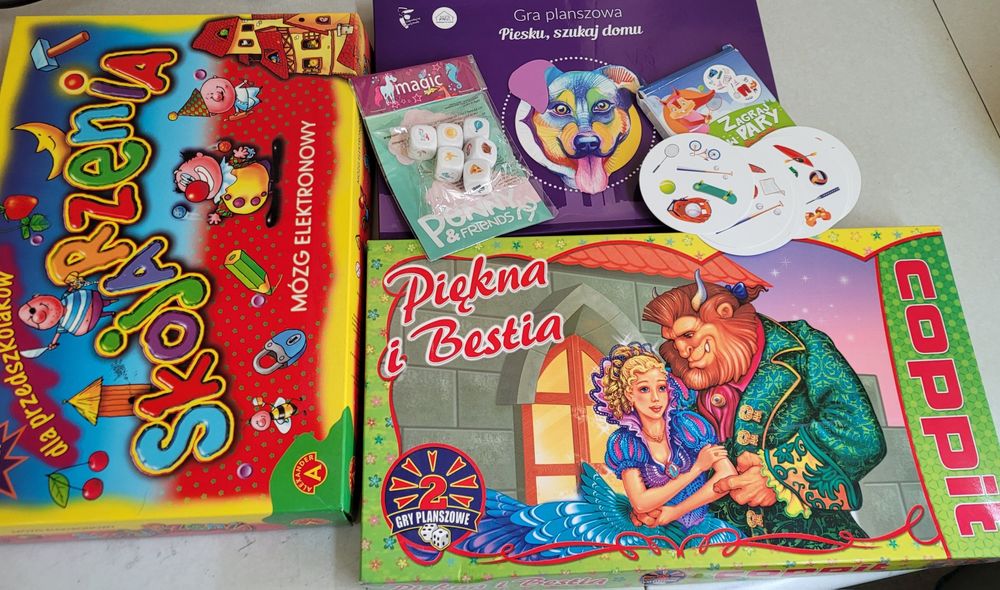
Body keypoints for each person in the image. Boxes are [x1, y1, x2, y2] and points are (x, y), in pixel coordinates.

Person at [642, 271, 886, 547]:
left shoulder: (802, 347)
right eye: (673, 340)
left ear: (724, 313)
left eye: (688, 334)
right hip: (718, 545)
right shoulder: (672, 381)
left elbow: (858, 434)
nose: (682, 350)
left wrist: (776, 475)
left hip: (811, 541)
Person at [592, 343, 739, 538]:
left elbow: (727, 475)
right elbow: (641, 503)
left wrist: (676, 511)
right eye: (644, 389)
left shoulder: (688, 425)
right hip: (657, 536)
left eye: (661, 388)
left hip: (705, 529)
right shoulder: (626, 443)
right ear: (629, 394)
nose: (656, 398)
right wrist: (697, 469)